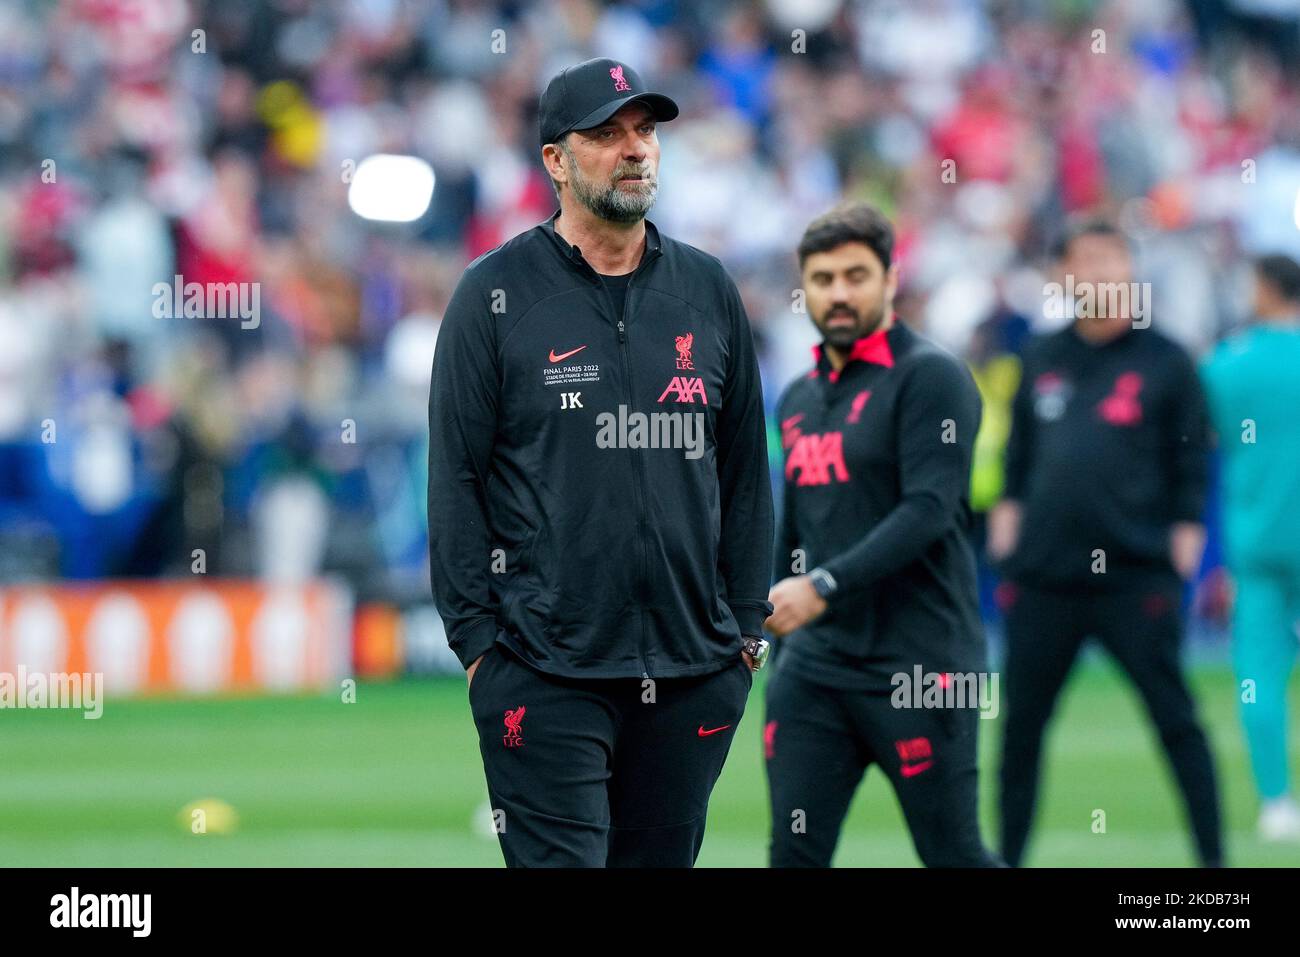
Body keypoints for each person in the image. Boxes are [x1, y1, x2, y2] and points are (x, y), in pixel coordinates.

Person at [427, 57, 774, 867]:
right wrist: (482, 648)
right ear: (554, 159)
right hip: (545, 669)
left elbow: (745, 471)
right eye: (607, 134)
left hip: (693, 669)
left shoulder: (708, 290)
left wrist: (745, 630)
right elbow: (454, 481)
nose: (636, 149)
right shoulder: (494, 295)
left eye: (646, 130)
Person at [762, 201, 1000, 867]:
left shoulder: (932, 377)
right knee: (793, 856)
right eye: (823, 278)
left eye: (856, 275)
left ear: (891, 280)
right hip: (815, 668)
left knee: (954, 854)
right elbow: (798, 524)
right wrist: (772, 632)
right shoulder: (798, 397)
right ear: (804, 288)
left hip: (922, 665)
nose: (839, 292)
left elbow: (928, 509)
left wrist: (821, 585)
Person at [989, 219, 1223, 867]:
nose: (1097, 273)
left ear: (1130, 272)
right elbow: (1019, 455)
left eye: (1110, 260)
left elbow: (1193, 462)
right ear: (1062, 276)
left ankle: (1215, 867)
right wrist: (1009, 521)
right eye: (1083, 261)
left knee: (1177, 723)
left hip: (1136, 573)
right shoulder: (1040, 357)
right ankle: (1005, 857)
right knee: (1019, 733)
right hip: (1045, 576)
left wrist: (1186, 538)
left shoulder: (1167, 360)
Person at [1201, 253, 1300, 842]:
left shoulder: (1227, 363)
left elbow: (1199, 440)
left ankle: (1277, 802)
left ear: (1262, 289)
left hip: (1259, 537)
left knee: (1258, 674)